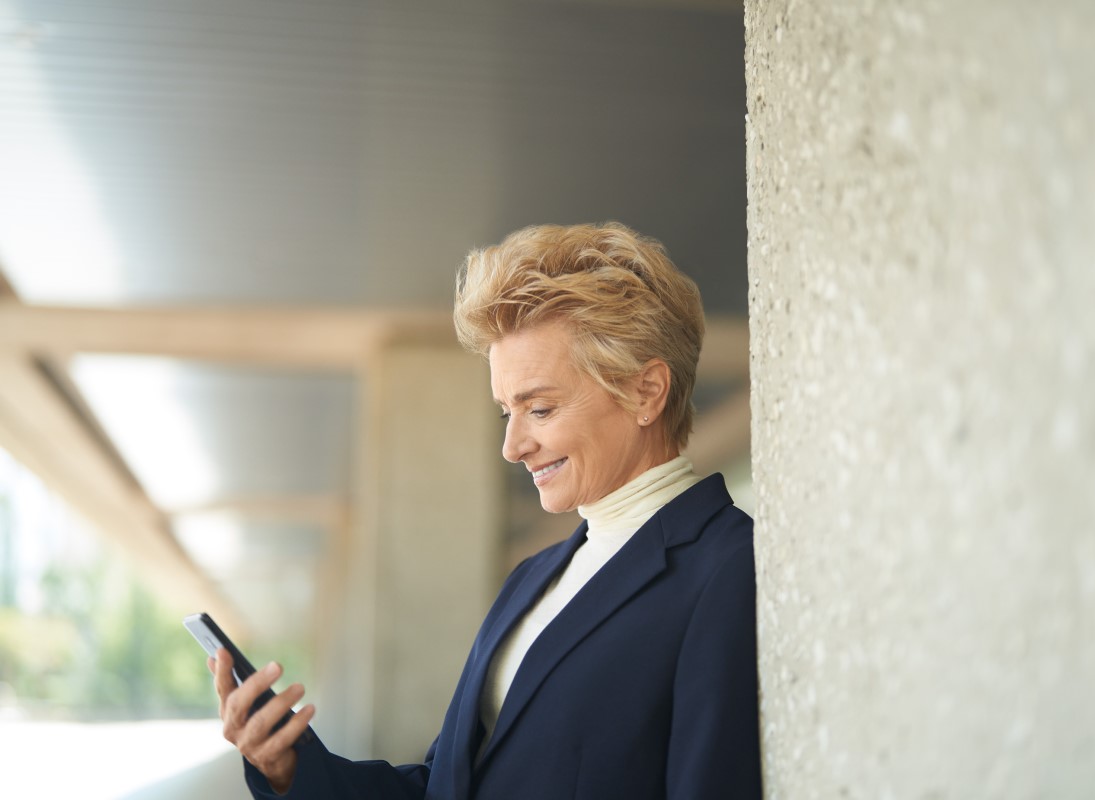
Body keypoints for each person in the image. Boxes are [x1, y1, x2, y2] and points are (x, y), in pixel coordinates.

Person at [210, 222, 762, 799]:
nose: (512, 446)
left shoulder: (730, 569)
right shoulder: (533, 578)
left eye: (540, 409)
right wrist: (291, 770)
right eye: (506, 412)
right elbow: (444, 787)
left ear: (646, 392)